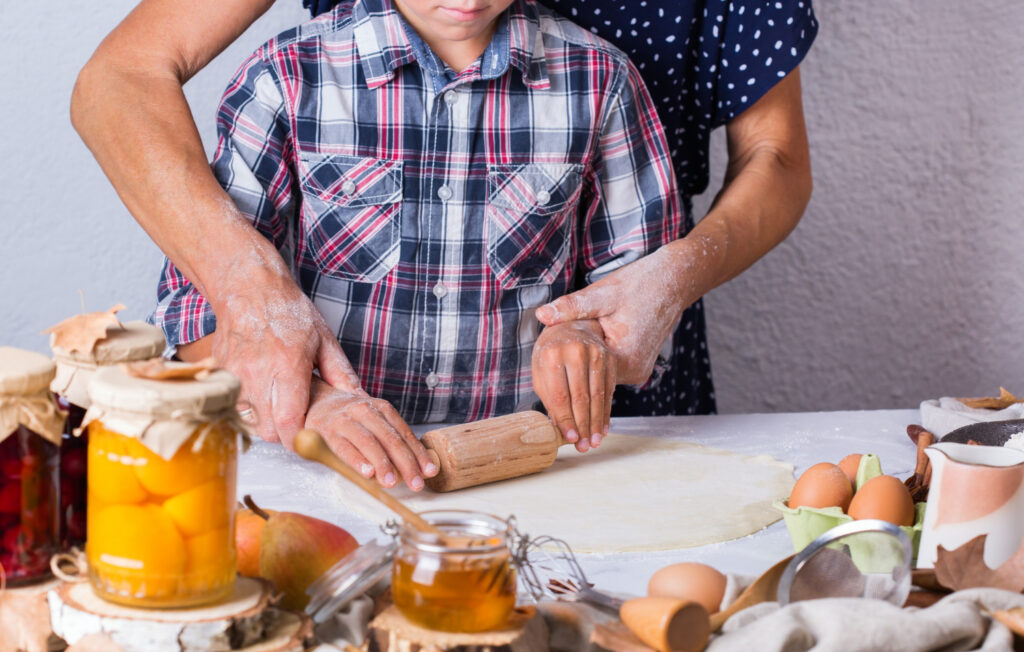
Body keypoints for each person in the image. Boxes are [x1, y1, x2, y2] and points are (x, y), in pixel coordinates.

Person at [70, 0, 815, 485]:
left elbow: (776, 160)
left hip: (563, 433)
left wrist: (655, 287)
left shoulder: (600, 82)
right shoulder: (289, 79)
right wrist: (252, 302)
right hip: (323, 454)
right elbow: (123, 79)